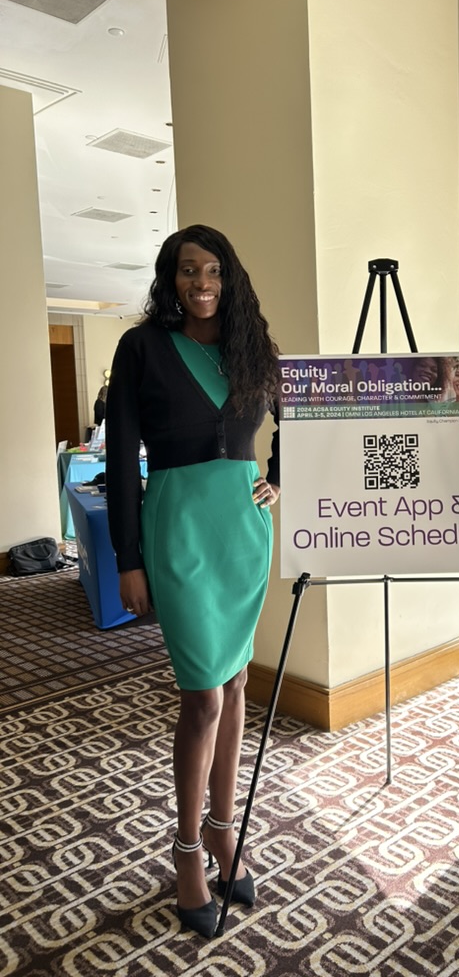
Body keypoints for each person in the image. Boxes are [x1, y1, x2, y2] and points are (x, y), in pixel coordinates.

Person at [105, 224, 280, 938]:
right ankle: (184, 849)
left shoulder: (254, 347)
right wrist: (127, 557)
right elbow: (119, 459)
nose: (200, 282)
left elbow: (297, 421)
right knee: (203, 694)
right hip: (176, 527)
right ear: (169, 278)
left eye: (212, 269)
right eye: (187, 271)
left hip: (243, 530)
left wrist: (281, 477)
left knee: (236, 684)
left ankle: (221, 827)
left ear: (228, 275)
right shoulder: (140, 347)